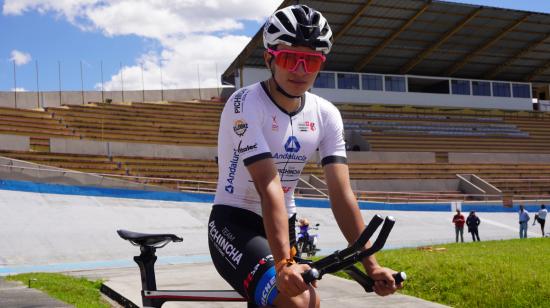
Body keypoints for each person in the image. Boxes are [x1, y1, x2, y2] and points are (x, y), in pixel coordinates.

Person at [207, 4, 401, 307]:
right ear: (269, 58)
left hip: (286, 221)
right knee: (300, 303)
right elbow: (268, 184)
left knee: (302, 300)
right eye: (289, 58)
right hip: (235, 223)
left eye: (310, 61)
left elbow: (341, 193)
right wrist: (284, 265)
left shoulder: (326, 114)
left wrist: (372, 266)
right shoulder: (244, 103)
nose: (300, 70)